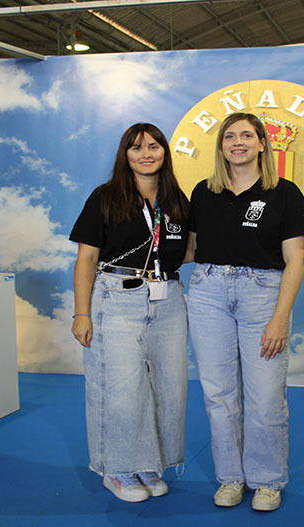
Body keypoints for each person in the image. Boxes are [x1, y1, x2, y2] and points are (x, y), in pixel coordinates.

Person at [186, 112, 304, 512]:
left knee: (264, 395)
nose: (237, 142)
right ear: (221, 146)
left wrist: (279, 317)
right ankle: (231, 477)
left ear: (263, 143)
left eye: (246, 135)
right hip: (207, 292)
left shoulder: (285, 193)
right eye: (229, 136)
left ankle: (266, 480)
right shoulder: (203, 192)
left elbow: (295, 261)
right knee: (218, 394)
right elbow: (189, 249)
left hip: (263, 295)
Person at [69, 123, 190, 503]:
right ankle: (117, 469)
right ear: (126, 154)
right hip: (117, 297)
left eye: (154, 146)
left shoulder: (176, 200)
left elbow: (188, 250)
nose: (146, 154)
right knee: (120, 387)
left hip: (168, 298)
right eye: (137, 148)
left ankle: (147, 463)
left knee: (167, 387)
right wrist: (81, 312)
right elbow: (86, 258)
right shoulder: (106, 198)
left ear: (164, 153)